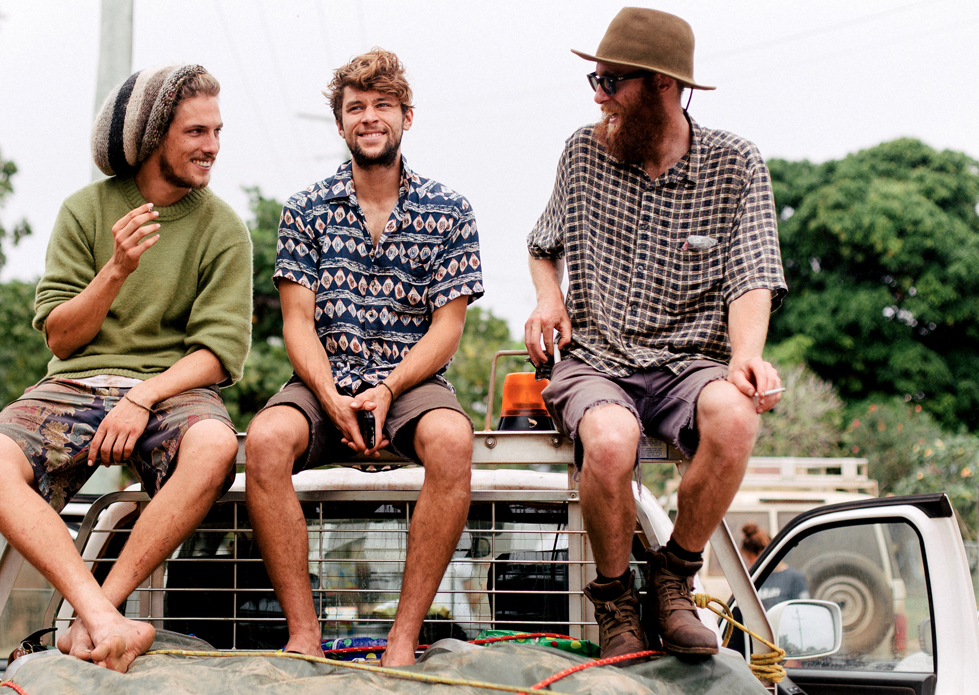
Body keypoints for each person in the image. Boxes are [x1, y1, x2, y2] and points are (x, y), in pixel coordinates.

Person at [0, 65, 252, 672]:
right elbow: (63, 339)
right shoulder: (84, 210)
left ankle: (97, 613)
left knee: (215, 446)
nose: (213, 147)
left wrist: (143, 395)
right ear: (152, 137)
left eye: (218, 131)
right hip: (74, 383)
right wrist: (115, 269)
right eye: (197, 132)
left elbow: (219, 354)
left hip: (171, 389)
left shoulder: (223, 227)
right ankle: (98, 616)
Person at [524, 8, 788, 659]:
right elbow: (541, 242)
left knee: (736, 416)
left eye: (612, 80)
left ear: (663, 85)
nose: (597, 93)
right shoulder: (583, 151)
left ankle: (672, 579)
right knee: (611, 441)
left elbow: (753, 275)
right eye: (595, 76)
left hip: (689, 362)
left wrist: (747, 357)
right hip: (599, 359)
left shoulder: (736, 164)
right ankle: (617, 602)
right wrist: (549, 295)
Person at [244, 48, 483, 667]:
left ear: (407, 116)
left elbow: (446, 331)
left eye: (383, 106)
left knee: (454, 443)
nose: (369, 117)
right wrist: (329, 397)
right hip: (324, 375)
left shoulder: (451, 210)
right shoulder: (306, 208)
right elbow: (297, 322)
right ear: (341, 123)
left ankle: (402, 641)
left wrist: (387, 388)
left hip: (412, 381)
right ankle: (303, 633)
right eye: (356, 107)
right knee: (266, 439)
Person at [741, 522, 809, 609]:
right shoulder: (753, 579)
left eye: (750, 557)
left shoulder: (795, 578)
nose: (749, 562)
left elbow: (803, 610)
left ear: (761, 553)